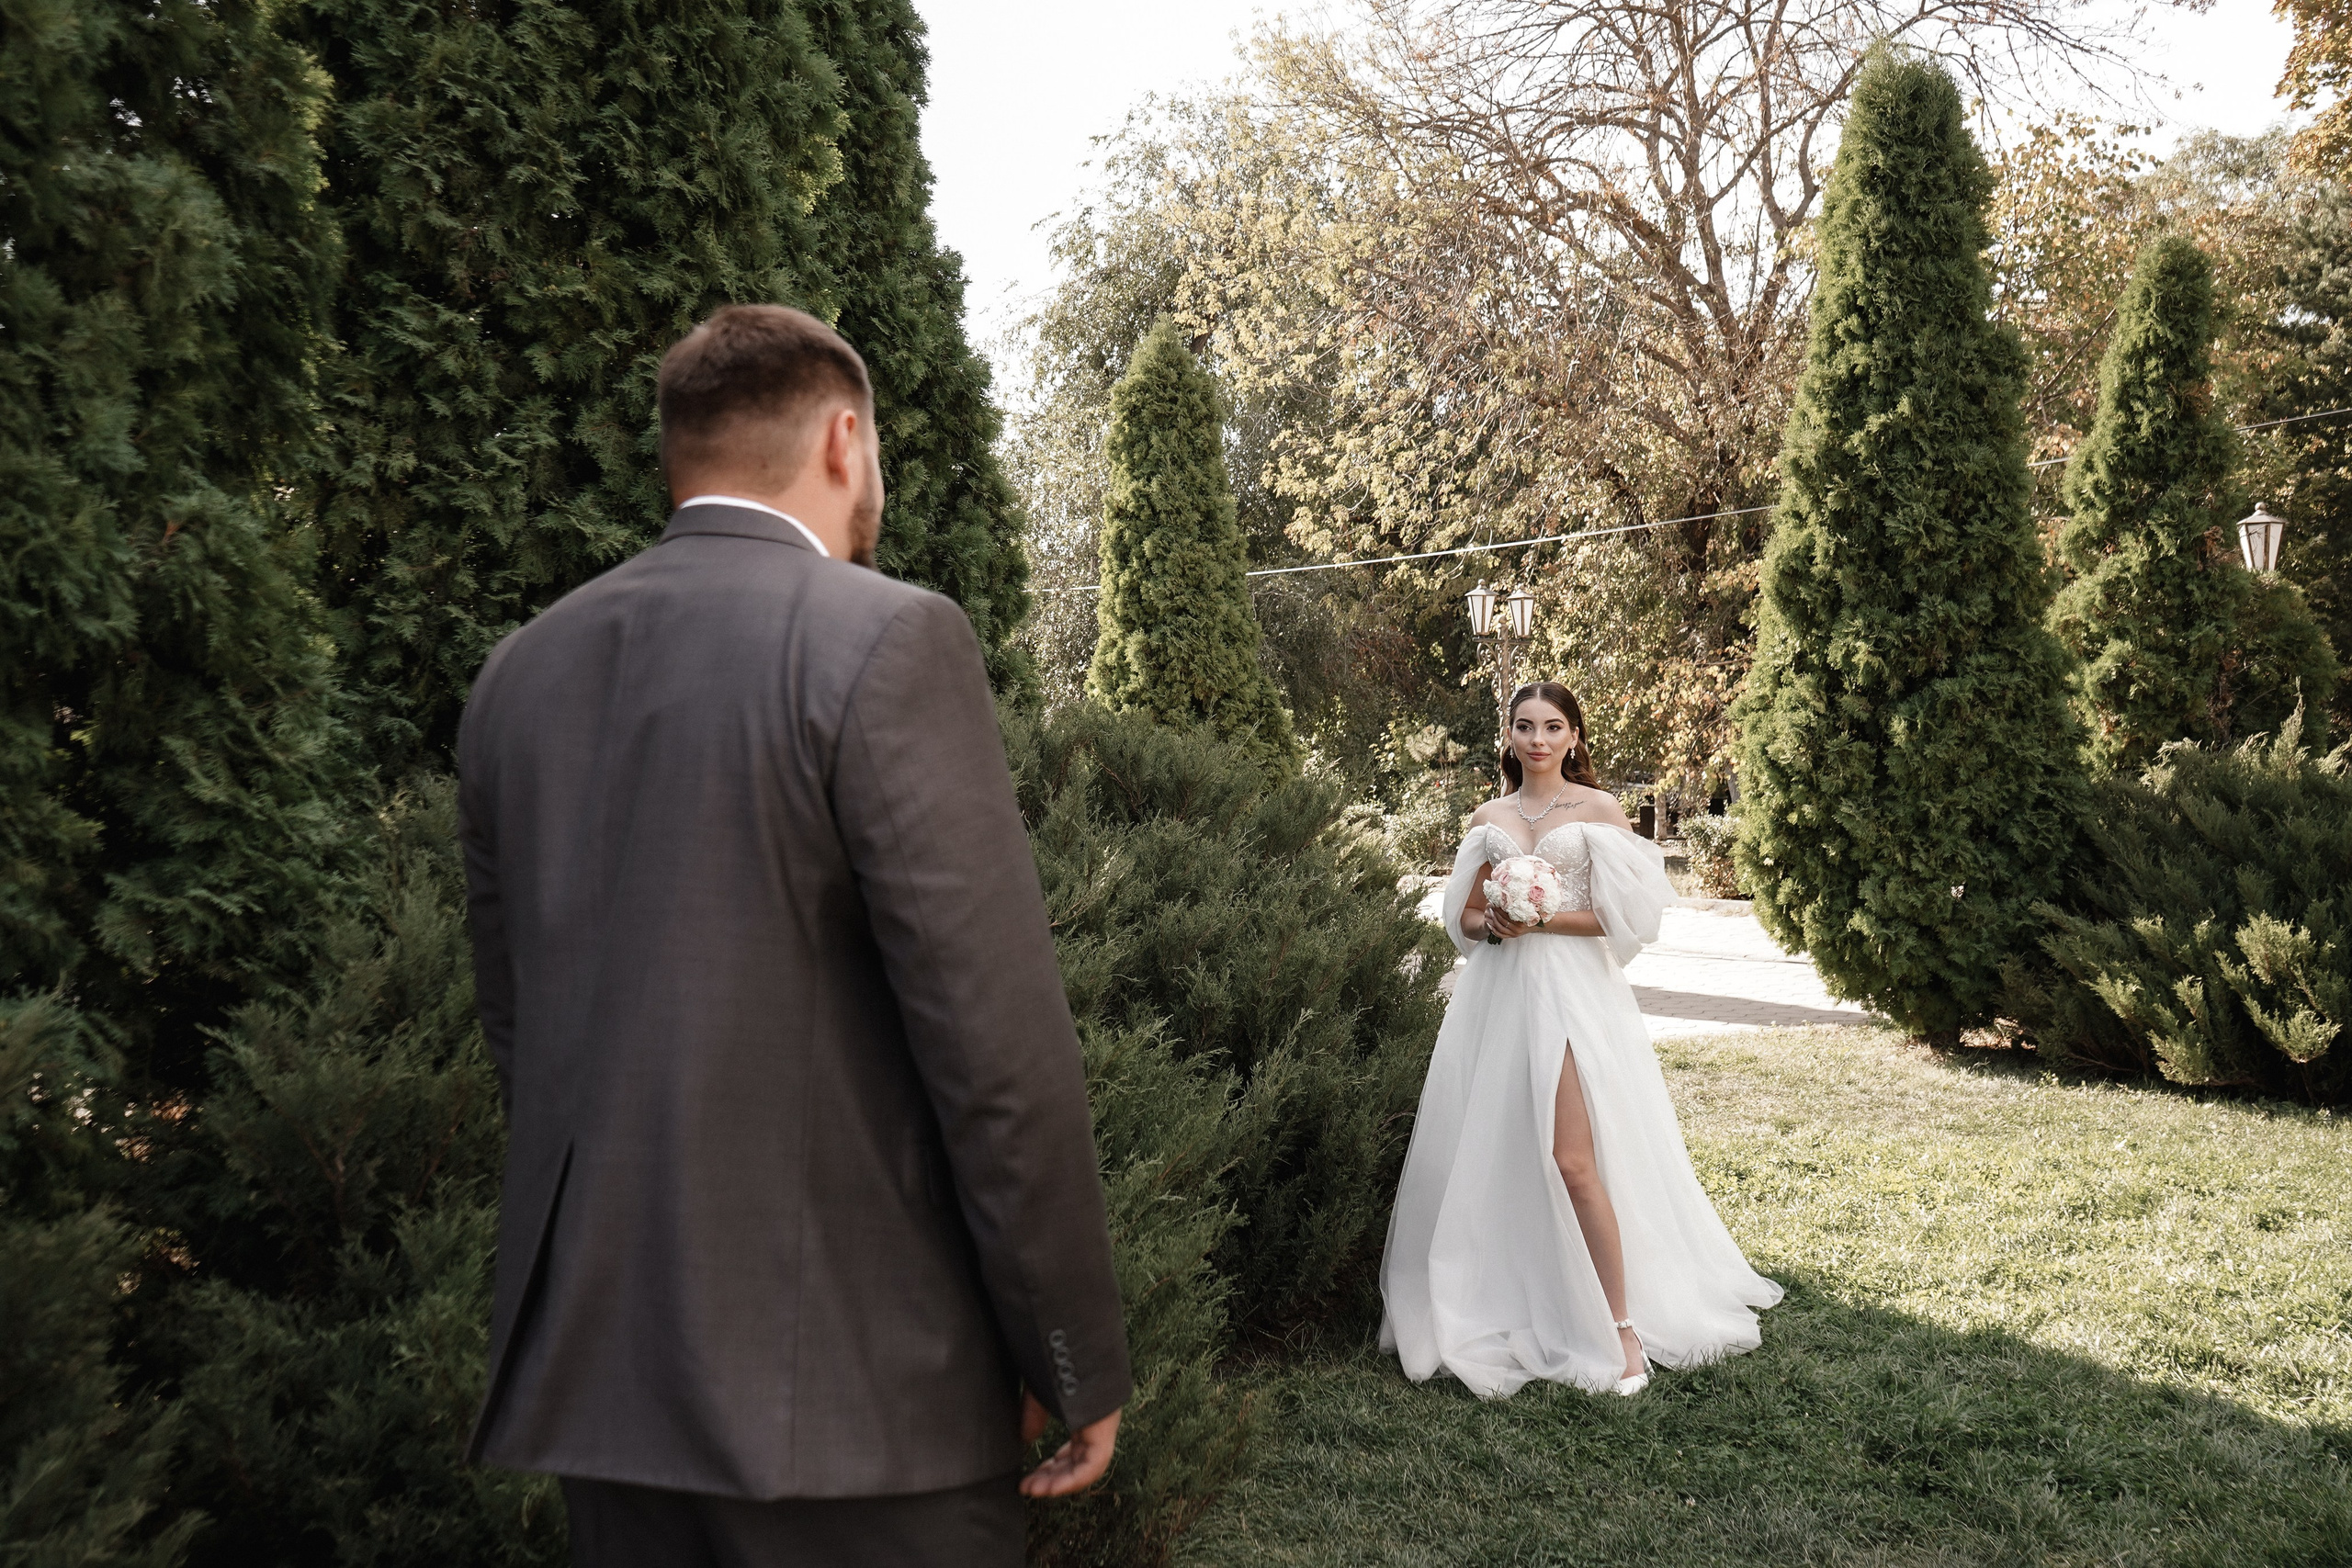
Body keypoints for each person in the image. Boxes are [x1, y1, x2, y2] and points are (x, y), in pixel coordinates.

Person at [457, 303, 1129, 1566]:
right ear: (840, 440)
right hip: (864, 1405)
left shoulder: (518, 675)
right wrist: (1068, 1347)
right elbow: (996, 1052)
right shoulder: (883, 634)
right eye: (875, 451)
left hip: (610, 1397)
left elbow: (525, 1037)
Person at [1379, 682, 1781, 1399]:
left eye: (1553, 726)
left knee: (1573, 1158)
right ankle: (1512, 1295)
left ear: (1574, 737)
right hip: (1498, 999)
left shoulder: (1598, 810)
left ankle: (1621, 1323)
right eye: (1525, 725)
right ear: (1508, 735)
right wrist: (1492, 924)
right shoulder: (1489, 815)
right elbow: (1465, 915)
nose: (1538, 739)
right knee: (1496, 1149)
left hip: (1571, 994)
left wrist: (1540, 917)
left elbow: (1622, 917)